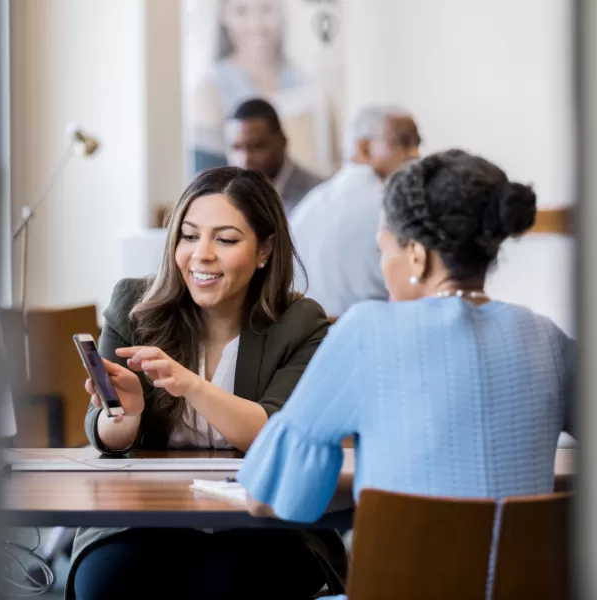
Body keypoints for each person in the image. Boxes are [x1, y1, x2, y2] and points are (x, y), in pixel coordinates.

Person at [236, 149, 576, 597]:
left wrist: (373, 481)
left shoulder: (366, 330)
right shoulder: (548, 339)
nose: (382, 266)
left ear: (416, 255)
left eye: (384, 249)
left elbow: (271, 496)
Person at [67, 167, 347, 600]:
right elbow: (106, 435)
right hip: (146, 519)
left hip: (265, 522)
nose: (201, 255)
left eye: (227, 239)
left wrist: (191, 385)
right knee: (109, 582)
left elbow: (274, 433)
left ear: (265, 250)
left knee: (226, 584)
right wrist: (124, 413)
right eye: (189, 236)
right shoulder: (134, 306)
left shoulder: (301, 322)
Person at [290, 105, 422, 317]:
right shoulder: (394, 208)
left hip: (310, 343)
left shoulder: (307, 207)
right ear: (364, 148)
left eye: (417, 144)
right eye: (404, 142)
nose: (416, 154)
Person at [190, 0, 337, 176]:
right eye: (242, 11)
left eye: (266, 9)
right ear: (224, 16)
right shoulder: (210, 87)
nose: (256, 24)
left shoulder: (304, 82)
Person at [224, 98, 325, 215]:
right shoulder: (224, 197)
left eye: (256, 146)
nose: (245, 160)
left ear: (282, 141)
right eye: (236, 148)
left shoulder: (317, 196)